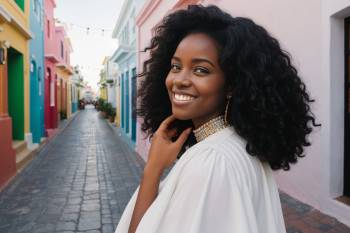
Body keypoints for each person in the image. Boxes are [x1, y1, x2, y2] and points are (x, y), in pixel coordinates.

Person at [115, 4, 320, 233]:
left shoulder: (211, 162)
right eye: (175, 66)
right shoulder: (241, 144)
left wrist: (152, 168)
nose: (179, 80)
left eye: (201, 70)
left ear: (231, 84)